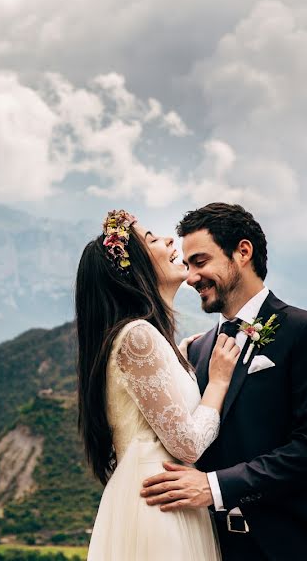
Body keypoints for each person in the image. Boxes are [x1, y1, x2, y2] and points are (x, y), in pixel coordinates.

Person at [140, 203, 307, 560]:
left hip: (297, 545)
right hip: (221, 549)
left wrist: (214, 487)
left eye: (200, 262)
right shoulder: (197, 350)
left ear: (243, 252)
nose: (191, 277)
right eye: (188, 264)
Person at [76, 209, 241, 560]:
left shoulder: (150, 339)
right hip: (160, 503)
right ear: (133, 268)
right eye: (153, 239)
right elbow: (189, 445)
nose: (169, 241)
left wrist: (182, 360)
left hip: (167, 496)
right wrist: (219, 381)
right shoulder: (138, 336)